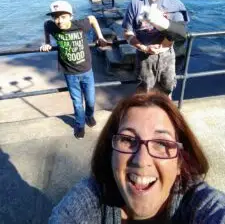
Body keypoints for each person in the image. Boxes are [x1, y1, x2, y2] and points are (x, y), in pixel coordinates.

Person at [49, 91, 225, 223]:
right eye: (127, 139)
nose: (141, 160)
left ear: (180, 161)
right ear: (111, 153)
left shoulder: (199, 204)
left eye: (162, 143)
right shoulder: (90, 199)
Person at [40, 0, 107, 139]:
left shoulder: (80, 25)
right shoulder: (52, 26)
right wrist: (47, 42)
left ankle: (89, 116)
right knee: (77, 103)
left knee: (90, 100)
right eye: (56, 17)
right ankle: (80, 125)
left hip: (87, 71)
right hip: (70, 74)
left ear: (71, 16)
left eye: (63, 16)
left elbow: (93, 19)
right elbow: (46, 24)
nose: (59, 21)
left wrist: (100, 37)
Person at [122, 0, 189, 96]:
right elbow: (127, 33)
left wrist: (164, 45)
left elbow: (180, 33)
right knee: (144, 93)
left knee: (167, 90)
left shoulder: (175, 5)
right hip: (143, 56)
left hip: (167, 56)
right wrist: (143, 47)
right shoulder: (136, 3)